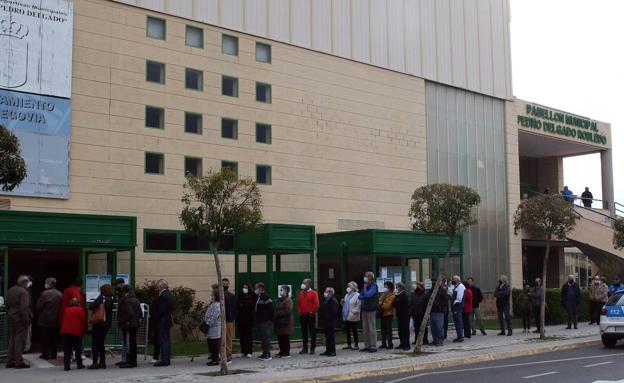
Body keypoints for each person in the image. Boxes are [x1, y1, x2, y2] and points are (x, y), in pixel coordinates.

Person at [6, 275, 32, 369]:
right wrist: (26, 319)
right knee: (20, 340)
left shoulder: (11, 289)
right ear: (24, 282)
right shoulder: (24, 292)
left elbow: (7, 304)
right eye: (28, 282)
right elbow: (24, 307)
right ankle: (19, 361)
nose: (29, 283)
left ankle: (10, 360)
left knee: (12, 339)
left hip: (11, 316)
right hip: (20, 319)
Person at [35, 277, 62, 361]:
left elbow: (38, 306)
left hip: (45, 320)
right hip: (55, 320)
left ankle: (45, 354)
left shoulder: (44, 294)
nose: (45, 284)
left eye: (46, 282)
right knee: (53, 338)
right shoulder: (60, 294)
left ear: (49, 284)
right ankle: (54, 354)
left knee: (44, 339)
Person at [88, 284, 114, 369]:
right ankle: (102, 362)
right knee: (101, 343)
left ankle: (95, 362)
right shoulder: (111, 299)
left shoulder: (101, 298)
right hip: (106, 324)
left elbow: (91, 306)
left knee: (95, 343)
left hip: (99, 323)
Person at [117, 284, 142, 368]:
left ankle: (130, 361)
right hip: (135, 324)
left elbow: (129, 313)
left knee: (128, 343)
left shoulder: (126, 300)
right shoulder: (136, 300)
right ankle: (133, 360)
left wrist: (124, 320)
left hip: (128, 324)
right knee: (132, 343)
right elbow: (140, 313)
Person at [60, 298, 86, 371]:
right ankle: (79, 364)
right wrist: (83, 332)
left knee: (67, 349)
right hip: (76, 331)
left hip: (65, 331)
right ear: (78, 303)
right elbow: (83, 322)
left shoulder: (66, 309)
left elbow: (62, 320)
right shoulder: (80, 310)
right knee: (78, 349)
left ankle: (66, 366)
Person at [297, 278, 319, 355]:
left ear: (308, 284)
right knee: (304, 332)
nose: (303, 284)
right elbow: (298, 303)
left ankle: (312, 348)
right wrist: (299, 311)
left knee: (312, 332)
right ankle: (305, 348)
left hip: (310, 315)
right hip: (303, 315)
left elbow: (316, 304)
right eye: (303, 283)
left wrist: (312, 312)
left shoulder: (313, 293)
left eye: (304, 283)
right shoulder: (301, 293)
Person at [153, 279, 173, 367]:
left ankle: (165, 360)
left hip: (163, 320)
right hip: (166, 319)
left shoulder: (163, 296)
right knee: (166, 340)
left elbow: (161, 310)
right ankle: (166, 358)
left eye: (157, 286)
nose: (156, 288)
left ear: (160, 286)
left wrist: (156, 318)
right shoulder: (168, 294)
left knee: (163, 340)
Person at [359, 271, 379, 353]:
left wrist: (364, 289)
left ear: (370, 277)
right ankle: (367, 346)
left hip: (371, 309)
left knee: (371, 328)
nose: (365, 277)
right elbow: (360, 296)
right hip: (364, 309)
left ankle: (373, 346)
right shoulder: (365, 286)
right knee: (365, 328)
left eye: (366, 276)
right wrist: (364, 295)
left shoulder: (374, 286)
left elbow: (368, 295)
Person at [254, 282, 274, 361]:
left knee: (266, 337)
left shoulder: (266, 297)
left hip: (265, 320)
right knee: (262, 337)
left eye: (257, 288)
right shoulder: (258, 297)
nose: (256, 290)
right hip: (260, 320)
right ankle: (264, 352)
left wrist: (269, 319)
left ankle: (267, 353)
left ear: (261, 288)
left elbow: (271, 309)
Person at [204, 284, 222, 366]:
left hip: (214, 326)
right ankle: (214, 357)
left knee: (214, 343)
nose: (211, 296)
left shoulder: (217, 304)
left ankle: (215, 360)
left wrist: (207, 323)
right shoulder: (213, 303)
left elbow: (214, 315)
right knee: (211, 343)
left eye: (213, 295)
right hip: (211, 326)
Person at [274, 285, 293, 358]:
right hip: (279, 322)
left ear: (286, 291)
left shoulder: (288, 300)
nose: (280, 291)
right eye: (280, 290)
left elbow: (288, 311)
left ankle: (286, 352)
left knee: (285, 337)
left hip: (285, 322)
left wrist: (277, 313)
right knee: (280, 337)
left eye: (282, 290)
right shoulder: (280, 299)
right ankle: (282, 351)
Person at [319, 287, 339, 357]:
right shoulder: (327, 300)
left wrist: (327, 317)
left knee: (331, 337)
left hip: (331, 322)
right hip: (326, 322)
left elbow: (333, 312)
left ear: (330, 293)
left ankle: (332, 351)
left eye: (326, 292)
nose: (325, 293)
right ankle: (328, 350)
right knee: (327, 337)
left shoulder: (333, 300)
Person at [237, 283, 255, 357]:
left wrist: (243, 305)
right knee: (242, 335)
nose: (244, 289)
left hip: (248, 318)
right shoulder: (241, 295)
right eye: (243, 287)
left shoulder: (252, 296)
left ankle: (249, 351)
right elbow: (238, 305)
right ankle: (243, 351)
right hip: (241, 318)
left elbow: (251, 306)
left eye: (246, 287)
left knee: (248, 336)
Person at [341, 281, 361, 350]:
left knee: (354, 330)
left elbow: (358, 306)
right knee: (347, 331)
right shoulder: (347, 295)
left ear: (353, 287)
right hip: (346, 315)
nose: (348, 288)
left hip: (353, 315)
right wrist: (342, 303)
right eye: (348, 286)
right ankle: (349, 344)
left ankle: (356, 345)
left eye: (349, 286)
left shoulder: (357, 295)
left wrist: (353, 311)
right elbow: (345, 305)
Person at [429, 280, 449, 346]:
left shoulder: (442, 290)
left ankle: (440, 341)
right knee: (433, 327)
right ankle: (435, 340)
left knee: (439, 327)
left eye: (434, 282)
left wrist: (441, 306)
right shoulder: (431, 290)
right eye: (432, 282)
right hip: (432, 311)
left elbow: (446, 299)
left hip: (439, 311)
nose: (433, 283)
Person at [222, 278, 237, 363]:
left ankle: (228, 355)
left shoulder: (231, 296)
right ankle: (221, 354)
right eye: (224, 283)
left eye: (226, 284)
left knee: (228, 337)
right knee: (220, 338)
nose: (225, 285)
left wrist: (232, 317)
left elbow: (234, 308)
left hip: (228, 320)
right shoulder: (218, 295)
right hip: (220, 320)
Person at [379, 280, 396, 349]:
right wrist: (382, 303)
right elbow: (379, 301)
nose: (385, 289)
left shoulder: (392, 295)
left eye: (386, 287)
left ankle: (390, 344)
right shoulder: (384, 294)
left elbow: (387, 306)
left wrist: (381, 304)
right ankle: (383, 343)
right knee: (383, 329)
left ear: (389, 287)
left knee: (388, 330)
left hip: (389, 314)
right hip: (383, 313)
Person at [394, 282, 411, 350]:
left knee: (405, 331)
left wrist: (396, 298)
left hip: (405, 315)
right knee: (400, 330)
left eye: (397, 287)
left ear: (400, 288)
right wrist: (396, 297)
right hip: (400, 315)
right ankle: (402, 343)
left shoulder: (404, 295)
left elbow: (398, 303)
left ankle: (407, 345)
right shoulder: (399, 295)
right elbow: (394, 303)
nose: (396, 289)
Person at [450, 275, 465, 343]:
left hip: (457, 306)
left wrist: (453, 303)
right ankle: (459, 336)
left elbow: (459, 298)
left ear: (457, 280)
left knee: (458, 321)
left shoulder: (460, 287)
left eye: (453, 279)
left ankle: (460, 336)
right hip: (456, 307)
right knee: (457, 321)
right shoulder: (456, 286)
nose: (452, 280)